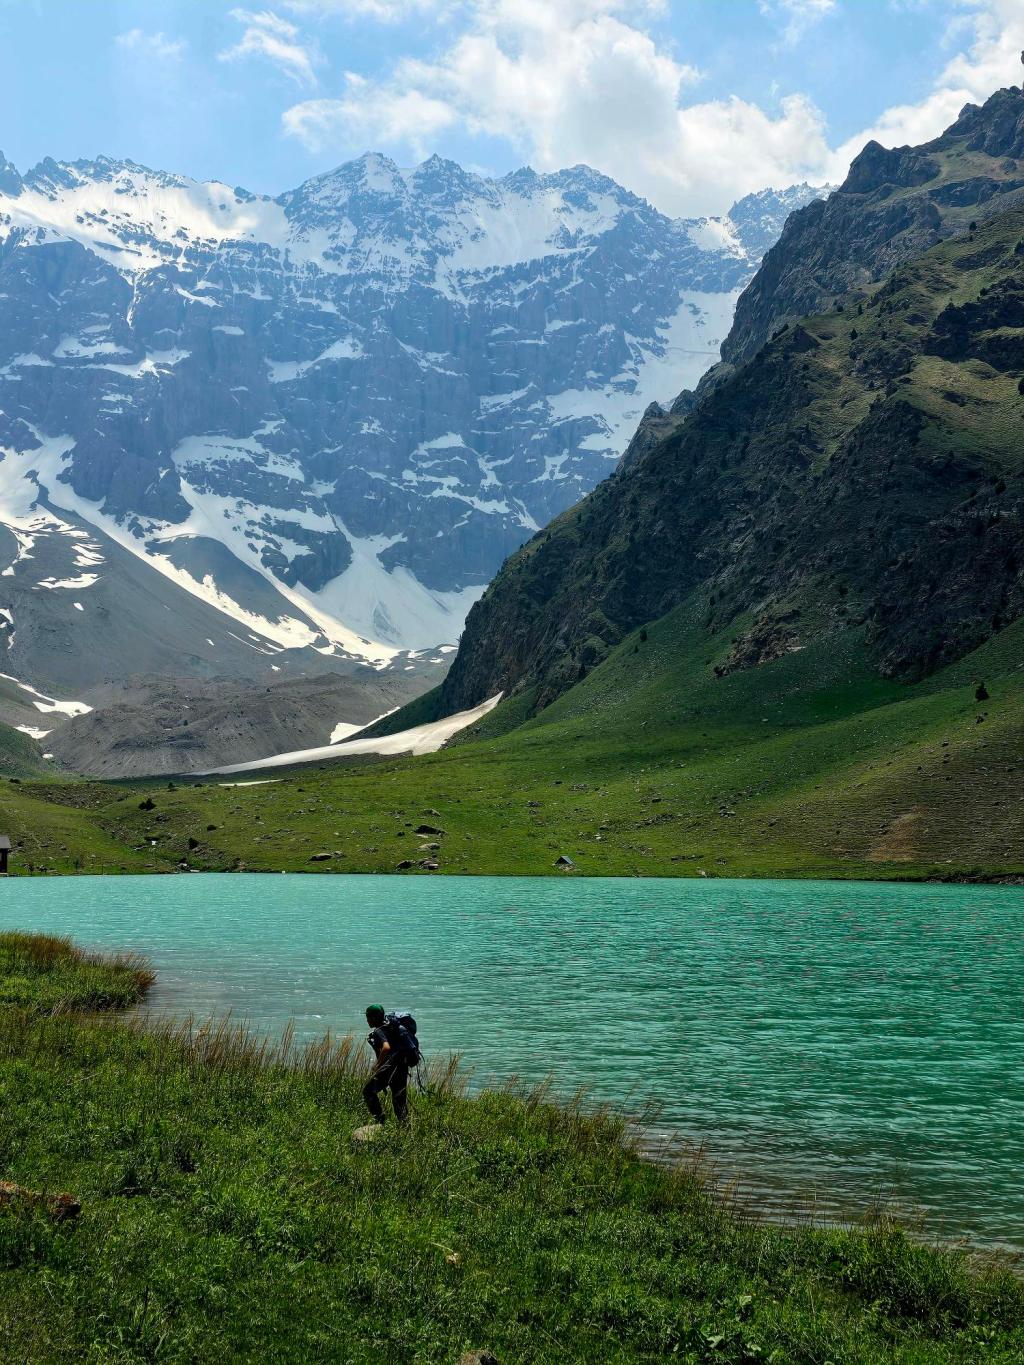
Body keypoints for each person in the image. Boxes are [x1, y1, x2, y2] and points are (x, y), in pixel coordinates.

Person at [362, 1004, 410, 1125]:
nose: (367, 1020)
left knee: (368, 1091)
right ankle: (405, 1127)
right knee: (399, 1100)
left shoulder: (379, 1031)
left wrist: (378, 1065)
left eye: (368, 1017)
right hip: (401, 1068)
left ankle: (380, 1121)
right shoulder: (391, 1027)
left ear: (374, 1018)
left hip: (388, 1070)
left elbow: (386, 1047)